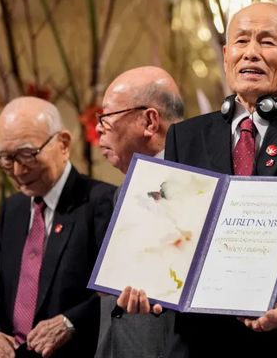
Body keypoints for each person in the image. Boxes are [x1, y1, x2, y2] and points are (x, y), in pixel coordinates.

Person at [117, 2, 277, 358]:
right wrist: (151, 287)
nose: (251, 53)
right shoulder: (186, 136)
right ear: (227, 54)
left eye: (267, 42)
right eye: (241, 41)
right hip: (199, 341)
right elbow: (171, 232)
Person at [0, 96, 116, 358]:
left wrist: (69, 323)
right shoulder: (14, 209)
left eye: (28, 154)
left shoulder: (101, 202)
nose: (17, 170)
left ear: (63, 144)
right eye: (6, 158)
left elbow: (113, 294)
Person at [94, 66, 184, 358]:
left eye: (106, 117)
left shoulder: (195, 187)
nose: (98, 128)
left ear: (149, 121)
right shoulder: (124, 189)